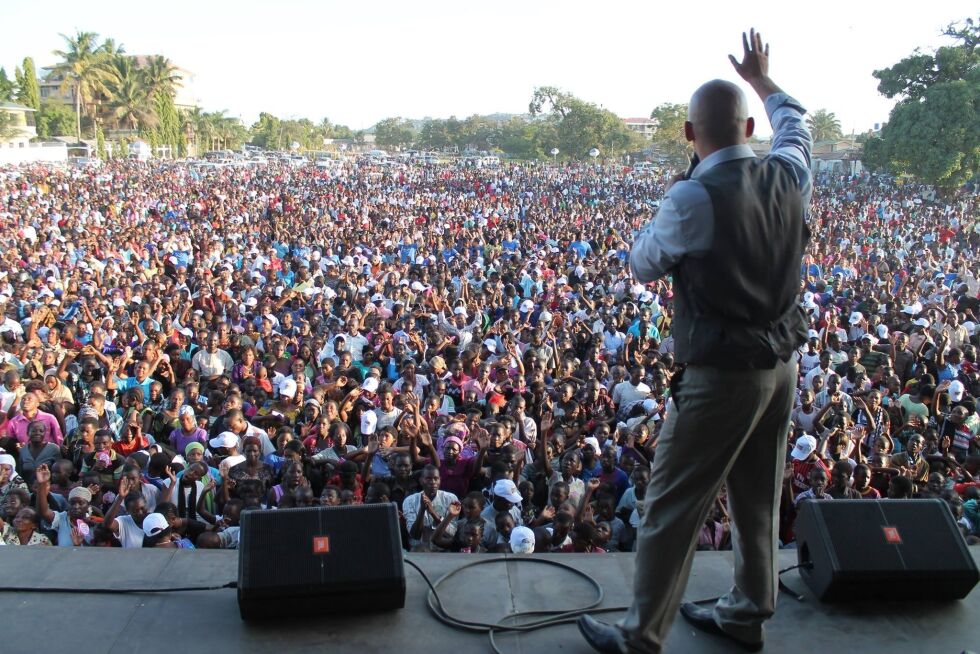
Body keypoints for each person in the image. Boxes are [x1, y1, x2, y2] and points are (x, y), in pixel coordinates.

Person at [579, 29, 812, 654]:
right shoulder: (791, 172)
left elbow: (642, 264)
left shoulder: (691, 196)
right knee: (758, 496)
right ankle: (748, 611)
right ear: (747, 127)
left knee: (671, 505)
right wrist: (762, 80)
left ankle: (640, 636)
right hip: (782, 365)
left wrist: (669, 209)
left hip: (719, 375)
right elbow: (796, 123)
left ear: (689, 134)